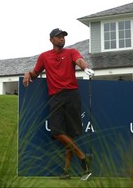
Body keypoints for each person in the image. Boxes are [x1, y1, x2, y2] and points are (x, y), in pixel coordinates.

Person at [23, 28, 95, 181]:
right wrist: (28, 73)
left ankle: (66, 171)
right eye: (58, 36)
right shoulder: (44, 56)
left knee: (68, 135)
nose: (62, 38)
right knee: (57, 132)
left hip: (72, 95)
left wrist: (86, 68)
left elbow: (79, 60)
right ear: (51, 40)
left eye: (63, 36)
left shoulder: (71, 52)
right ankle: (83, 157)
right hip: (55, 97)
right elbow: (35, 73)